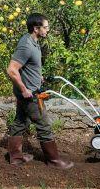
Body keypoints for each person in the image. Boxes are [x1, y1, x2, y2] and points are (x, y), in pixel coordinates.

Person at [5, 13, 74, 170]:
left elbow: (28, 65)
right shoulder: (26, 45)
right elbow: (12, 70)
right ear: (36, 29)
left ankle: (15, 157)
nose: (48, 30)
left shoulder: (32, 41)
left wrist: (38, 76)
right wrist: (24, 89)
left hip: (29, 90)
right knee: (44, 125)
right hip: (30, 95)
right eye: (45, 27)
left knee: (20, 122)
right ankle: (54, 160)